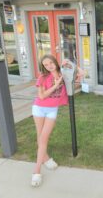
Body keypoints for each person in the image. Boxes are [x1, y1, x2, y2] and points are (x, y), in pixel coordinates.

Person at [31, 54, 68, 187]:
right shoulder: (43, 77)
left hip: (52, 110)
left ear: (55, 62)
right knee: (41, 138)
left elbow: (81, 73)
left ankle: (45, 159)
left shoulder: (64, 73)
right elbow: (41, 96)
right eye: (46, 65)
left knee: (43, 139)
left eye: (50, 63)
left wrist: (68, 62)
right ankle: (37, 171)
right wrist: (56, 85)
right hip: (39, 109)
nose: (49, 66)